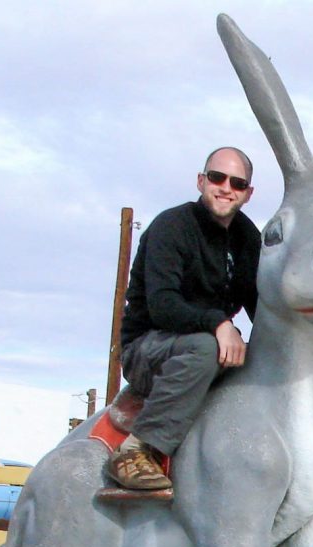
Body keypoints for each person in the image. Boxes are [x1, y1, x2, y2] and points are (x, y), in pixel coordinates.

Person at [108, 147, 261, 493]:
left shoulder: (248, 239)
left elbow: (258, 305)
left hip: (206, 343)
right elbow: (163, 305)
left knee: (262, 359)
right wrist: (220, 324)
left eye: (237, 183)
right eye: (217, 177)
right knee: (206, 348)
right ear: (201, 181)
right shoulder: (171, 227)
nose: (226, 187)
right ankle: (136, 449)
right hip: (150, 350)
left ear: (248, 194)